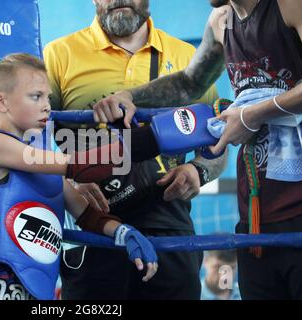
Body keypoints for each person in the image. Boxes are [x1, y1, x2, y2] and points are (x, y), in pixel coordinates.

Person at [94, 0, 302, 299]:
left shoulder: (289, 6)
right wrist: (130, 96)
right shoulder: (221, 20)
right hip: (257, 214)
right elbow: (189, 83)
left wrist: (251, 115)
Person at [43, 0, 227, 300]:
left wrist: (199, 170)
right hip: (91, 225)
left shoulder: (188, 57)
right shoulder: (57, 54)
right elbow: (31, 136)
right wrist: (70, 179)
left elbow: (217, 138)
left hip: (169, 225)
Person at [0, 53, 161, 301]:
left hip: (34, 289)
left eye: (47, 97)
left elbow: (88, 215)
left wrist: (124, 232)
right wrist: (156, 138)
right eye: (35, 96)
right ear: (1, 102)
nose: (47, 105)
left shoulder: (47, 165)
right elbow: (77, 165)